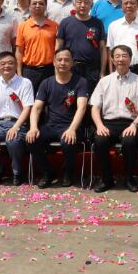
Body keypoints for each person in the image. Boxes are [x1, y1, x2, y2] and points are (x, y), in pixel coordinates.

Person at [90, 45, 138, 193]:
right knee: (100, 140)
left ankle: (129, 179)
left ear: (130, 59)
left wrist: (134, 125)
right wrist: (99, 126)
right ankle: (107, 179)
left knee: (129, 141)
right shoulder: (104, 81)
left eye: (124, 56)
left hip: (131, 122)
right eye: (117, 56)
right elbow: (94, 107)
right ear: (112, 60)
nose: (121, 59)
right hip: (108, 123)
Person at [27, 48, 88, 188]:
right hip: (51, 125)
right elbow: (36, 108)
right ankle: (48, 172)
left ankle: (68, 172)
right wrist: (33, 127)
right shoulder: (46, 83)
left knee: (68, 141)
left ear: (72, 63)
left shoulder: (81, 82)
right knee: (32, 140)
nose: (63, 63)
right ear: (54, 62)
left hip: (71, 125)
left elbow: (82, 108)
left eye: (66, 60)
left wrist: (72, 129)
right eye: (59, 60)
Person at [0, 52, 35, 185]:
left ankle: (17, 172)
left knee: (13, 141)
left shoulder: (25, 83)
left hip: (18, 123)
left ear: (16, 65)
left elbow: (27, 108)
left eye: (10, 63)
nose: (6, 66)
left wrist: (16, 127)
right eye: (2, 64)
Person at [56, 0, 107, 90]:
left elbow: (102, 48)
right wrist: (57, 70)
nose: (82, 5)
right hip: (71, 68)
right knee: (70, 96)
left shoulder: (98, 23)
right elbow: (58, 47)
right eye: (79, 2)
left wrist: (102, 72)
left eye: (86, 2)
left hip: (92, 69)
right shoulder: (65, 22)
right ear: (74, 4)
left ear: (91, 5)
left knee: (91, 97)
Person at [15, 0, 58, 92]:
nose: (37, 6)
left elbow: (58, 50)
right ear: (29, 6)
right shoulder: (23, 26)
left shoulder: (55, 26)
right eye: (34, 3)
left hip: (49, 70)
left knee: (48, 98)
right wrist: (19, 73)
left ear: (46, 6)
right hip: (29, 70)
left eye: (41, 3)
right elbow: (19, 51)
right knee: (28, 98)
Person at [107, 0, 138, 79]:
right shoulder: (113, 26)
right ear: (121, 6)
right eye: (125, 3)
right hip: (119, 68)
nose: (129, 5)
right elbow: (111, 51)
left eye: (132, 3)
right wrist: (111, 72)